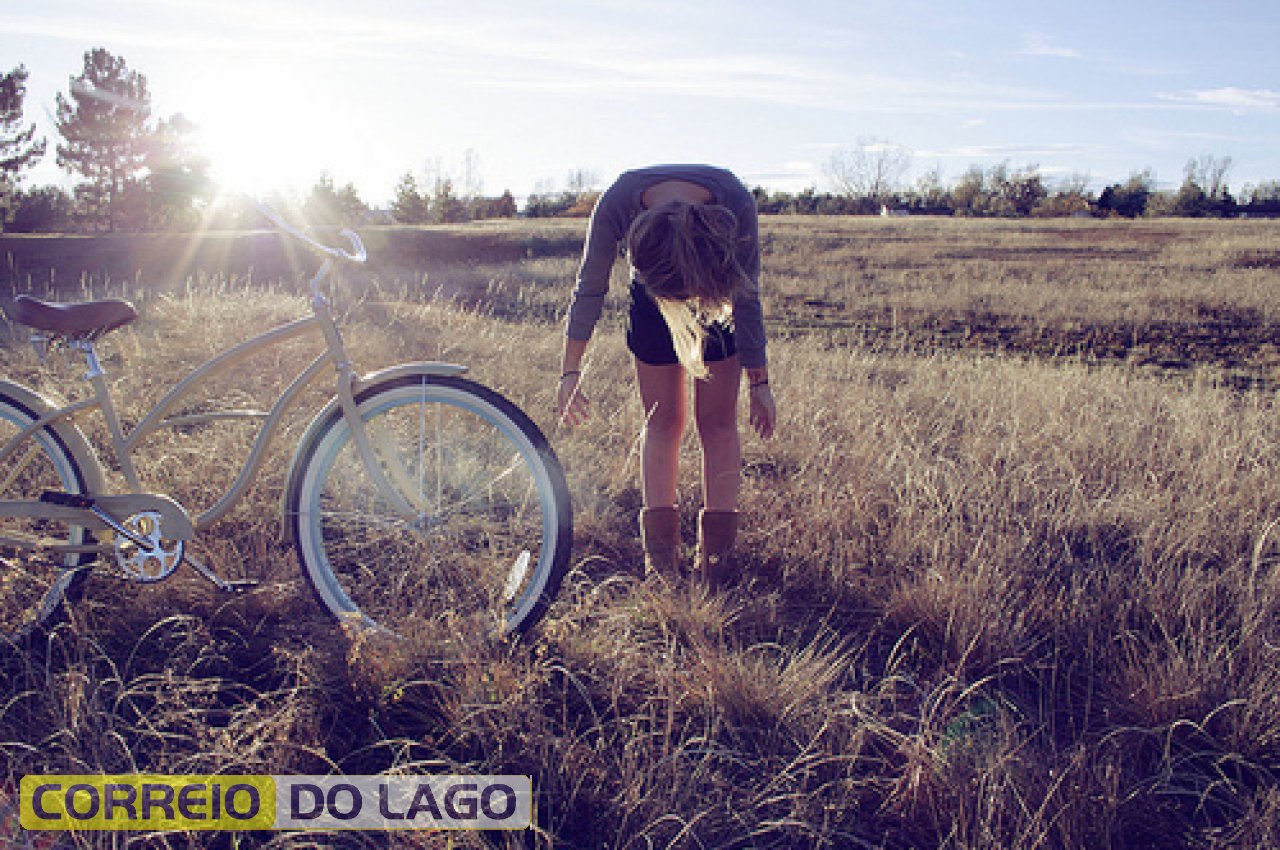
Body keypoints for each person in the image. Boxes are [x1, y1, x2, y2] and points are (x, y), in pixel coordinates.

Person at [555, 164, 777, 587]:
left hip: (717, 288)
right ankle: (660, 564)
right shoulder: (618, 202)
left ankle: (717, 565)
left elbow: (748, 296)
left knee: (717, 423)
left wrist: (759, 383)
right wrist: (570, 371)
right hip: (650, 294)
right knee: (662, 421)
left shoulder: (734, 200)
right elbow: (589, 287)